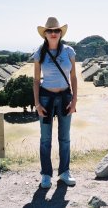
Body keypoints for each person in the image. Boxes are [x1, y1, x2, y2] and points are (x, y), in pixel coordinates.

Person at [33, 17, 77, 189]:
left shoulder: (69, 51)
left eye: (56, 30)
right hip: (45, 98)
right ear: (45, 34)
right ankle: (45, 174)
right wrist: (37, 103)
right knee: (45, 139)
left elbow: (73, 77)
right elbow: (36, 80)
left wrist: (74, 100)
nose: (53, 33)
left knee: (65, 138)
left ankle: (64, 172)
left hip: (65, 98)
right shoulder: (40, 52)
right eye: (50, 31)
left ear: (60, 33)